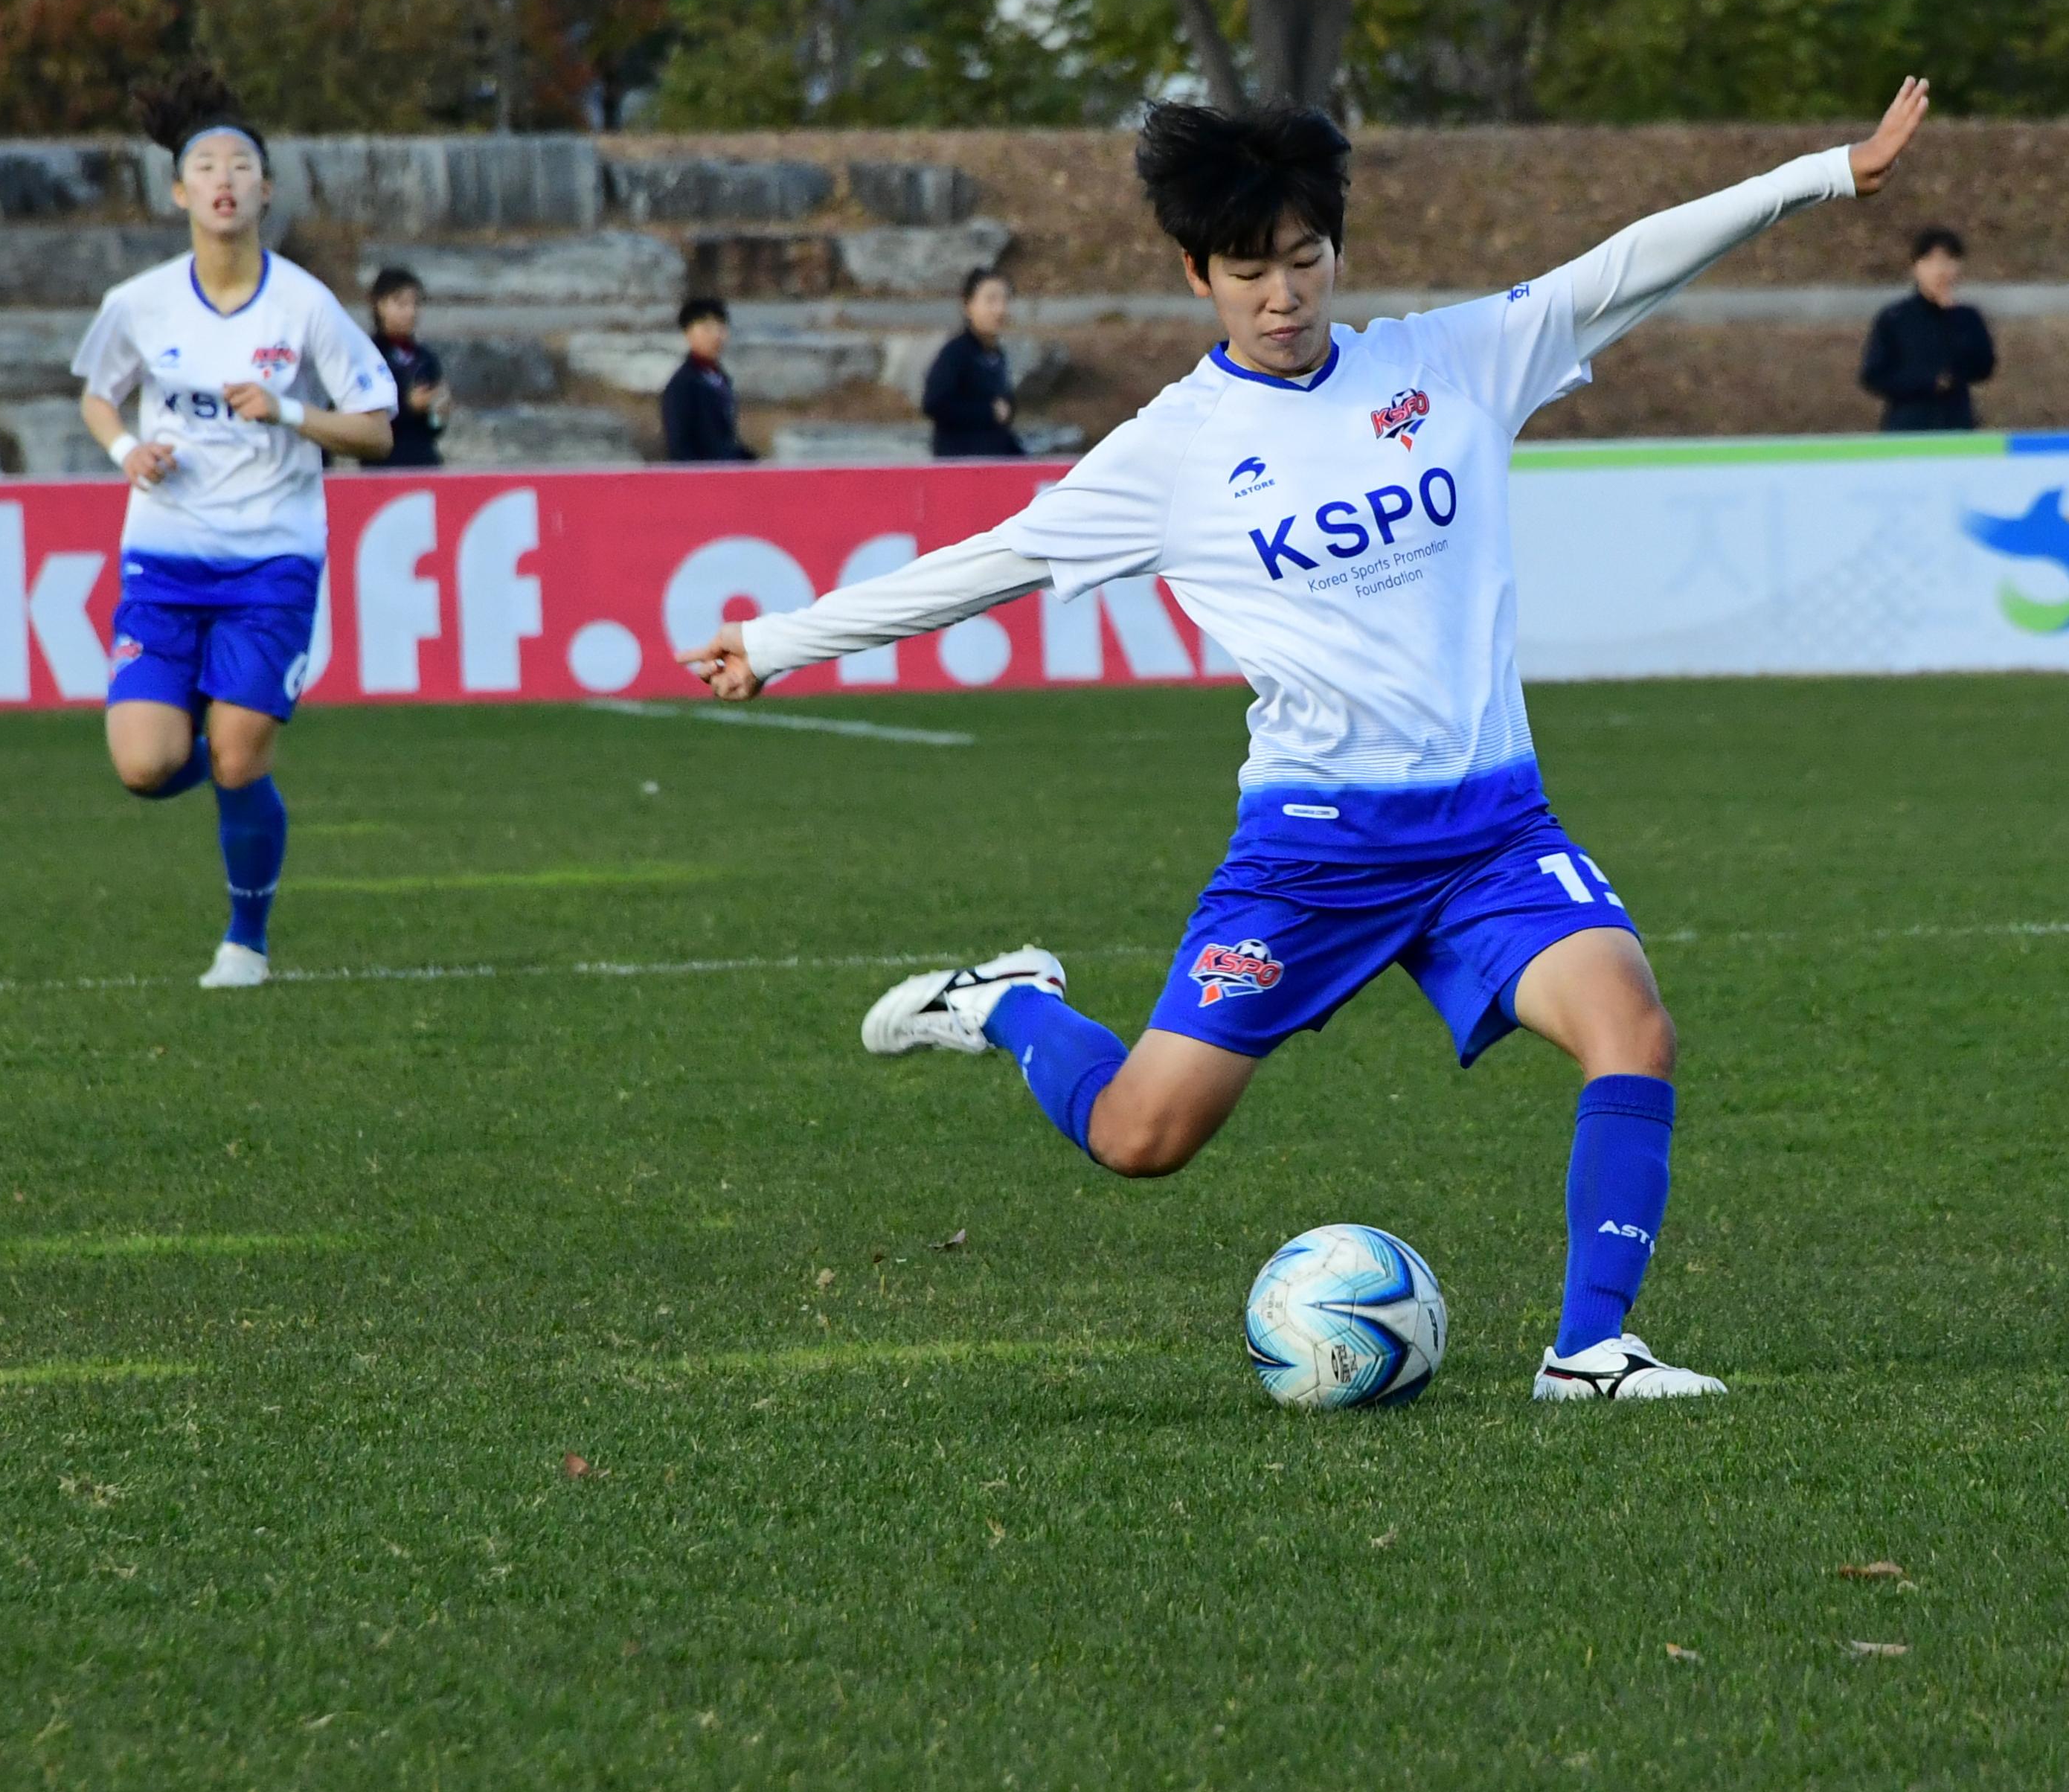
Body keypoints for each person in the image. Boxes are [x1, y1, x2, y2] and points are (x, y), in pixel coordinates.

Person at [682, 77, 1940, 1402]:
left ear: (1334, 250)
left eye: (1303, 259)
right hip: (1311, 856)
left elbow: (1622, 266)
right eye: (1247, 271)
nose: (1281, 294)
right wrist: (779, 643)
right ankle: (1004, 1003)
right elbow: (993, 563)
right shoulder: (1176, 449)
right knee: (1140, 1137)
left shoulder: (1445, 362)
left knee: (1632, 1028)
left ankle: (1588, 1352)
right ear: (1195, 274)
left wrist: (1822, 173)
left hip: (1491, 833)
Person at [75, 69, 398, 988]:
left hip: (271, 562)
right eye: (205, 165)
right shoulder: (138, 304)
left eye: (241, 165)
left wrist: (291, 416)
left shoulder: (303, 305)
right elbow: (99, 394)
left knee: (240, 750)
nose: (224, 179)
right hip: (165, 561)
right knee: (145, 767)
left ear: (264, 190)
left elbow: (376, 429)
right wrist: (128, 449)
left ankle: (245, 942)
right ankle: (210, 743)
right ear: (179, 191)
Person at [1860, 225, 1995, 431]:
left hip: (1956, 425)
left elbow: (1983, 367)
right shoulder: (1895, 318)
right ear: (1916, 267)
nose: (1941, 271)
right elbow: (1874, 375)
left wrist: (1953, 318)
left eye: (1949, 261)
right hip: (1906, 427)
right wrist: (1928, 382)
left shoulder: (1968, 317)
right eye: (1931, 262)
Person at [925, 266, 1027, 458]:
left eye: (1005, 300)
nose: (1000, 309)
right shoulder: (956, 353)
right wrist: (987, 412)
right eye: (991, 300)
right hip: (963, 463)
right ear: (968, 305)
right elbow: (935, 404)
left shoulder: (997, 354)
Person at [364, 266, 446, 468]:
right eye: (401, 305)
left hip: (424, 462)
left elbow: (434, 428)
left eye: (415, 305)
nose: (410, 313)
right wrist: (407, 406)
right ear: (380, 305)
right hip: (382, 465)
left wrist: (439, 412)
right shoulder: (368, 355)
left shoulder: (425, 358)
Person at [661, 295, 756, 461]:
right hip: (704, 480)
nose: (716, 336)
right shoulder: (682, 385)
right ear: (688, 333)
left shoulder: (720, 379)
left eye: (721, 328)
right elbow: (679, 446)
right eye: (707, 329)